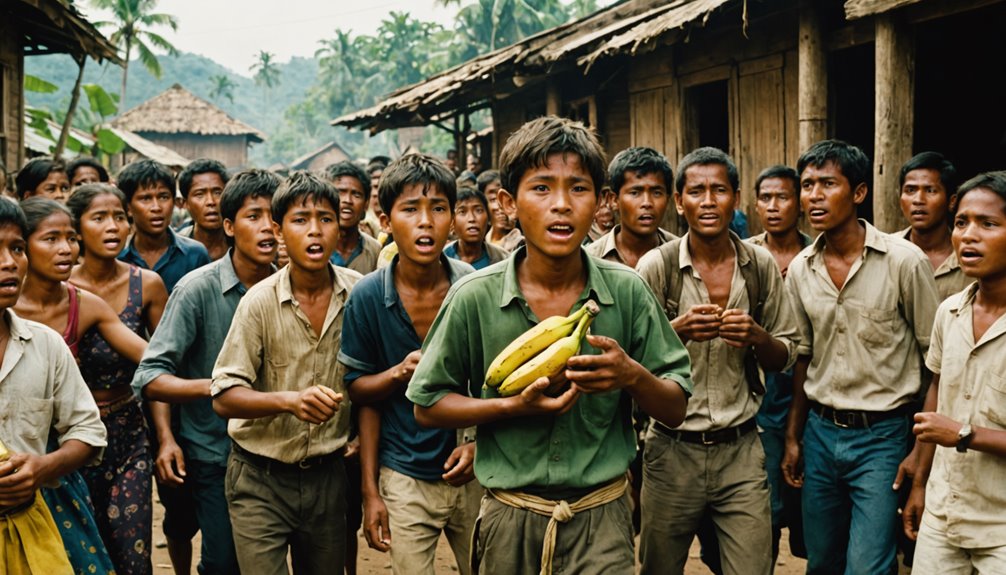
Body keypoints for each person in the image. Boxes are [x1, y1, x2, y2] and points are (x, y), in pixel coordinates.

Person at [407, 116, 693, 574]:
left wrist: (632, 376)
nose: (561, 205)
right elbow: (428, 404)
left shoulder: (628, 292)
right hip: (509, 518)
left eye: (577, 189)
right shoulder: (474, 298)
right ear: (508, 203)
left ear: (602, 203)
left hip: (602, 518)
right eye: (541, 188)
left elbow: (676, 407)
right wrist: (510, 407)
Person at [635, 148, 798, 575]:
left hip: (741, 448)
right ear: (679, 201)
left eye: (719, 190)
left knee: (753, 565)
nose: (708, 201)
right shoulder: (657, 267)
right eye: (697, 191)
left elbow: (787, 353)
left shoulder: (758, 265)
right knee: (659, 567)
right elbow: (630, 362)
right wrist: (679, 330)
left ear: (736, 198)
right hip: (671, 449)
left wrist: (757, 337)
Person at [781, 140, 939, 574]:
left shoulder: (904, 263)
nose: (813, 195)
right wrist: (794, 436)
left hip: (883, 436)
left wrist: (919, 454)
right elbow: (803, 358)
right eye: (807, 184)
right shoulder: (801, 269)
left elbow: (937, 363)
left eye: (827, 183)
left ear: (858, 193)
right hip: (820, 431)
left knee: (868, 565)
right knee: (822, 560)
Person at [211, 171, 362, 573]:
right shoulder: (258, 303)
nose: (315, 231)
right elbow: (224, 395)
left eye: (326, 219)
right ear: (278, 230)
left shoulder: (360, 294)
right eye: (300, 220)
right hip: (259, 476)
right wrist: (289, 401)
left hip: (327, 477)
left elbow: (369, 378)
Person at [132, 169, 281, 575]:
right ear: (229, 226)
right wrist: (216, 388)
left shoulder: (292, 287)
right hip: (217, 455)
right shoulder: (197, 289)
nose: (268, 227)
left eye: (275, 216)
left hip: (280, 453)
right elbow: (150, 377)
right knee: (223, 562)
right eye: (254, 216)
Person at [341, 154, 480, 574]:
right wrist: (371, 492)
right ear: (385, 221)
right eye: (410, 209)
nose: (426, 221)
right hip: (403, 473)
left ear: (452, 219)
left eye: (438, 208)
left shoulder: (472, 287)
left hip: (473, 469)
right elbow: (360, 393)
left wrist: (476, 442)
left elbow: (495, 381)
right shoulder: (366, 296)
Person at [15, 197, 149, 574]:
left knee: (121, 555)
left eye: (70, 239)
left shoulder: (84, 304)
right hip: (35, 447)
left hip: (95, 440)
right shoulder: (8, 311)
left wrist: (214, 381)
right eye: (51, 239)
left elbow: (149, 358)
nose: (66, 249)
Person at [902, 171, 1006, 574]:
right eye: (961, 222)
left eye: (988, 224)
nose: (968, 235)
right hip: (944, 516)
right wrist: (920, 482)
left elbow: (951, 427)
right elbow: (939, 392)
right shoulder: (950, 312)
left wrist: (966, 434)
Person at [0, 198, 108, 575]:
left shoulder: (44, 344)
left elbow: (88, 431)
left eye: (16, 248)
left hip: (33, 531)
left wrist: (42, 467)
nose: (9, 263)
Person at [66, 184, 168, 575]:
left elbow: (158, 369)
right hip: (69, 437)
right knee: (83, 556)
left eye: (119, 217)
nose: (113, 227)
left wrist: (165, 437)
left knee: (133, 554)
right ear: (77, 229)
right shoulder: (58, 289)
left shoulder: (148, 285)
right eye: (99, 218)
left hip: (127, 432)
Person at [116, 158, 210, 575]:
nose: (156, 207)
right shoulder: (115, 254)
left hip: (184, 390)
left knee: (184, 498)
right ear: (128, 206)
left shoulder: (193, 255)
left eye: (162, 198)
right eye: (144, 198)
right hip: (122, 395)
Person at [745, 165, 811, 565]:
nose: (773, 206)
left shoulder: (816, 255)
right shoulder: (744, 256)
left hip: (809, 391)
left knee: (810, 517)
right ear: (754, 204)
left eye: (783, 197)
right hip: (760, 399)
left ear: (798, 204)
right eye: (766, 198)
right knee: (760, 514)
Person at [586, 147, 676, 268]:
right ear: (614, 200)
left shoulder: (681, 255)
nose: (647, 203)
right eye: (635, 193)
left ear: (668, 199)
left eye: (656, 193)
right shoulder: (590, 259)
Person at [897, 152, 970, 301]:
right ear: (900, 198)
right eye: (910, 190)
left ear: (952, 202)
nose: (918, 200)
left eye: (930, 190)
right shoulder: (885, 253)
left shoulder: (971, 256)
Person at [327, 161, 382, 275]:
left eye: (356, 194)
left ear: (366, 204)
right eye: (340, 192)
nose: (347, 200)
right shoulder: (316, 246)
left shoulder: (375, 251)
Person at [178, 159, 230, 261]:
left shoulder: (243, 245)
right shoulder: (177, 249)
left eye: (217, 193)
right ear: (185, 203)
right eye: (199, 194)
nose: (210, 202)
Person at [444, 187, 508, 270]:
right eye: (462, 212)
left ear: (488, 218)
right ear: (452, 221)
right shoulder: (441, 258)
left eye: (479, 210)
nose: (472, 219)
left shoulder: (503, 258)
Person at [480, 169, 522, 252]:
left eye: (507, 198)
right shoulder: (481, 241)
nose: (500, 206)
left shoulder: (520, 244)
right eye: (493, 199)